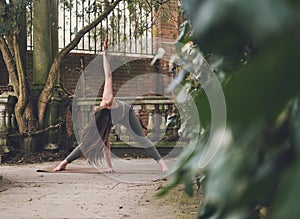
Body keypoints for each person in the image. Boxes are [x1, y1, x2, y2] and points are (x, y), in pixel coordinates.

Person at [53, 40, 168, 173]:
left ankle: (163, 164)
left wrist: (105, 55)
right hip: (108, 118)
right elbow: (105, 143)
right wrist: (109, 167)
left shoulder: (107, 99)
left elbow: (108, 76)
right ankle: (64, 163)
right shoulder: (102, 122)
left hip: (127, 114)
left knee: (141, 139)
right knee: (90, 140)